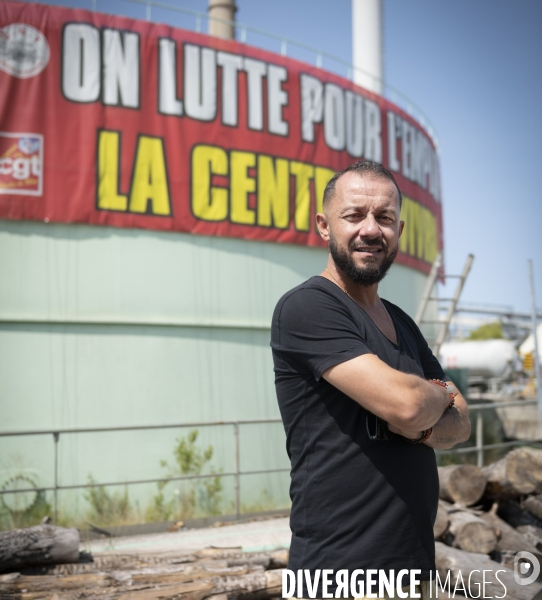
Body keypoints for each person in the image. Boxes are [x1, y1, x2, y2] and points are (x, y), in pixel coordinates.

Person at [270, 160, 471, 600]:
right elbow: (409, 407)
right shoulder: (308, 308)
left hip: (413, 568)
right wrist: (430, 401)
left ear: (398, 229)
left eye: (383, 218)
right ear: (324, 225)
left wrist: (420, 419)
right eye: (354, 215)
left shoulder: (402, 322)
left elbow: (462, 422)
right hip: (337, 574)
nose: (370, 229)